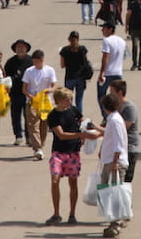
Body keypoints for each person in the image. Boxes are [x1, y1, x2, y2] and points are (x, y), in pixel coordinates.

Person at [45, 87, 87, 226]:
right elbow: (61, 135)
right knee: (55, 180)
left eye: (70, 99)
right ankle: (56, 213)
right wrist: (80, 135)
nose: (69, 101)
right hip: (58, 152)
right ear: (58, 101)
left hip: (73, 152)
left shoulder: (74, 110)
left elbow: (82, 121)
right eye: (66, 99)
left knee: (73, 183)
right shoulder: (53, 116)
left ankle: (72, 214)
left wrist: (84, 130)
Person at [97, 92, 129, 238]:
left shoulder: (115, 121)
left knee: (113, 194)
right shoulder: (114, 119)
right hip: (110, 160)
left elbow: (118, 144)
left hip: (114, 162)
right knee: (107, 192)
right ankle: (114, 221)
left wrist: (115, 162)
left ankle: (115, 224)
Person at [23, 49, 57, 160]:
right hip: (32, 102)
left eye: (38, 61)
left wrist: (49, 90)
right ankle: (37, 148)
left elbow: (54, 85)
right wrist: (31, 97)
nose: (36, 64)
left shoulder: (49, 70)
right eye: (34, 61)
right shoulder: (29, 71)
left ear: (42, 60)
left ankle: (41, 146)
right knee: (33, 125)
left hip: (46, 102)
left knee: (44, 125)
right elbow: (25, 88)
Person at [109, 79, 140, 182]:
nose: (110, 96)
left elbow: (123, 128)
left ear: (120, 93)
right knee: (114, 182)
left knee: (125, 182)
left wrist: (99, 132)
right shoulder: (114, 107)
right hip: (114, 149)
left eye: (112, 93)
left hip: (129, 148)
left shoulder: (130, 108)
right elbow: (106, 124)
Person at [6, 39, 33, 146]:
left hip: (28, 93)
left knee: (28, 117)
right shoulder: (10, 62)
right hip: (14, 93)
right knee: (15, 116)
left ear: (26, 49)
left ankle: (28, 137)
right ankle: (18, 136)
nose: (20, 49)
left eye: (22, 47)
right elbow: (6, 77)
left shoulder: (31, 61)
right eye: (18, 48)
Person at [97, 18, 126, 119]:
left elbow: (105, 57)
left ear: (110, 29)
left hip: (108, 72)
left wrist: (101, 73)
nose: (102, 30)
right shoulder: (122, 41)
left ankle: (106, 116)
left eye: (104, 28)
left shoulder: (107, 40)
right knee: (118, 97)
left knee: (101, 96)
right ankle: (119, 115)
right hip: (118, 72)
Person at [59, 31, 89, 113]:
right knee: (79, 101)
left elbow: (62, 65)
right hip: (80, 78)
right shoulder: (82, 49)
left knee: (68, 100)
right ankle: (79, 118)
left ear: (69, 39)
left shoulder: (65, 50)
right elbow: (85, 63)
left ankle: (70, 116)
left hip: (69, 77)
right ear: (78, 39)